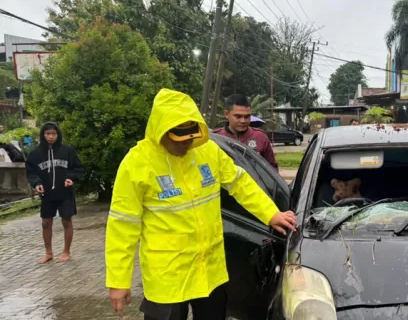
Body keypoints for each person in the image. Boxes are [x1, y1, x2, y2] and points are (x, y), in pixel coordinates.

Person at [106, 89, 297, 320]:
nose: (187, 143)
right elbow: (122, 226)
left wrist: (271, 214)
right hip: (167, 275)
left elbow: (239, 183)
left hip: (209, 270)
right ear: (161, 131)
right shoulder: (136, 163)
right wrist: (118, 281)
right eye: (180, 138)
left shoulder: (206, 151)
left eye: (191, 136)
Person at [26, 122, 84, 264]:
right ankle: (48, 253)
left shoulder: (68, 151)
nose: (51, 137)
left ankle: (66, 252)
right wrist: (37, 183)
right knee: (46, 222)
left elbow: (78, 168)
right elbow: (31, 172)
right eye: (48, 134)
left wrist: (71, 179)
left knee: (67, 220)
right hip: (47, 194)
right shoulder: (35, 154)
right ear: (43, 135)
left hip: (65, 192)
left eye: (53, 134)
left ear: (58, 135)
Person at [213, 94, 279, 172]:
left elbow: (272, 169)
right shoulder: (216, 139)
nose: (243, 121)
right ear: (226, 114)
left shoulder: (260, 137)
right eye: (238, 116)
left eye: (247, 116)